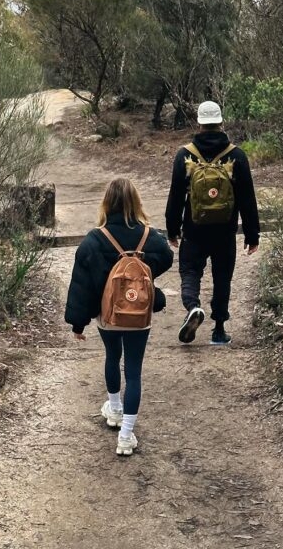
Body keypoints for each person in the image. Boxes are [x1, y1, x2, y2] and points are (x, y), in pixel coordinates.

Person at [65, 177, 173, 456]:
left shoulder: (94, 239)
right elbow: (167, 257)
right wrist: (141, 275)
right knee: (134, 372)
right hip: (140, 315)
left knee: (112, 357)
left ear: (107, 202)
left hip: (108, 315)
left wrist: (79, 322)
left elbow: (82, 284)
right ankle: (126, 436)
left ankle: (113, 408)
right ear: (135, 201)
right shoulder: (150, 236)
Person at [165, 100, 259, 346]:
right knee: (222, 277)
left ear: (199, 122)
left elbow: (176, 196)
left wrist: (172, 229)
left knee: (189, 271)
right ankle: (218, 329)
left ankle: (193, 307)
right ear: (220, 122)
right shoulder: (236, 155)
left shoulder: (185, 155)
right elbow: (247, 198)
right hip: (225, 231)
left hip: (194, 230)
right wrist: (252, 235)